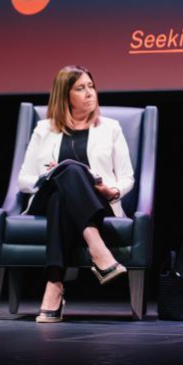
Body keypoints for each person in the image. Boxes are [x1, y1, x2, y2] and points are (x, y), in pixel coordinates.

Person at [17, 65, 135, 323]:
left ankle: (54, 285)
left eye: (91, 86)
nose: (90, 93)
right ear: (65, 95)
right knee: (67, 171)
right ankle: (98, 249)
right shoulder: (44, 129)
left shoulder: (111, 128)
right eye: (81, 88)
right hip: (43, 197)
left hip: (96, 199)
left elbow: (127, 177)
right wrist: (48, 176)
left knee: (63, 192)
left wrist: (112, 190)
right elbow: (23, 180)